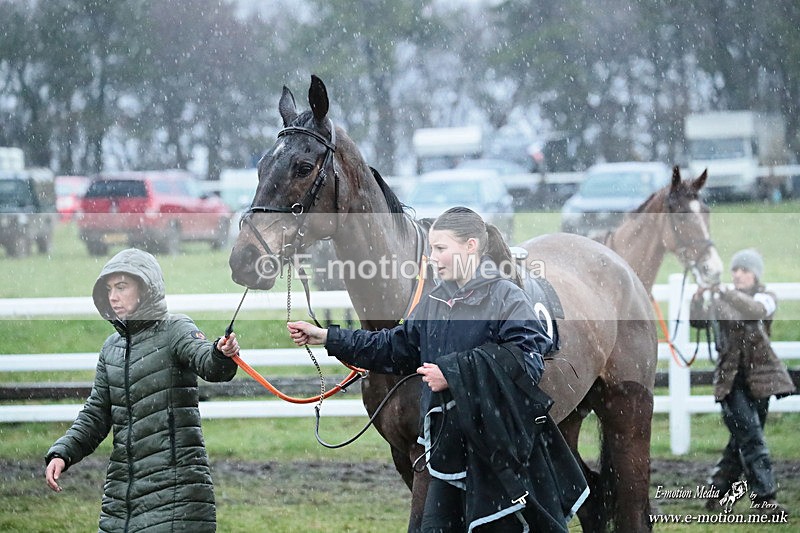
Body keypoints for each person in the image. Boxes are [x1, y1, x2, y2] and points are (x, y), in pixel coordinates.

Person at [288, 207, 587, 532]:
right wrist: (329, 337)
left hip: (497, 460)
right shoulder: (434, 302)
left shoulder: (507, 298)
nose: (432, 258)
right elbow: (392, 346)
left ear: (470, 246)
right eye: (431, 249)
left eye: (441, 249)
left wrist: (454, 372)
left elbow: (526, 362)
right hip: (447, 457)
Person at [44, 248, 241, 532]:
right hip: (121, 497)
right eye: (109, 288)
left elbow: (210, 364)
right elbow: (96, 414)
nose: (113, 296)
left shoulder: (176, 329)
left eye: (122, 286)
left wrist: (221, 353)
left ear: (146, 288)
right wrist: (63, 453)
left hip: (178, 495)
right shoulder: (112, 348)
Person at [690, 248, 795, 515]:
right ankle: (764, 498)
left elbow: (755, 310)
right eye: (735, 269)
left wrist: (722, 293)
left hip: (760, 382)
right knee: (751, 439)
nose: (738, 274)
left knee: (741, 442)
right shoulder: (722, 300)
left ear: (755, 274)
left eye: (744, 270)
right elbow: (697, 322)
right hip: (730, 383)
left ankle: (716, 491)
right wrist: (698, 300)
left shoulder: (766, 298)